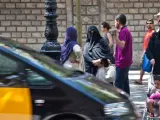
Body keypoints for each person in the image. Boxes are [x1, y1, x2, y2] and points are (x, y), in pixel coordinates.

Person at [113, 14, 133, 95]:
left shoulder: (123, 31)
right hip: (125, 61)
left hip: (122, 62)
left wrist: (115, 37)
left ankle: (118, 104)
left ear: (118, 22)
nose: (114, 24)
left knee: (118, 86)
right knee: (125, 85)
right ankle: (128, 102)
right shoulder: (126, 30)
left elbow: (122, 44)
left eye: (114, 22)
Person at [135, 19, 155, 85]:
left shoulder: (153, 32)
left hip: (150, 52)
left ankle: (153, 81)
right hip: (145, 51)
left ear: (153, 24)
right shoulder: (148, 32)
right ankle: (140, 79)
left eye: (150, 23)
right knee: (143, 66)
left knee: (152, 67)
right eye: (147, 23)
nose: (149, 24)